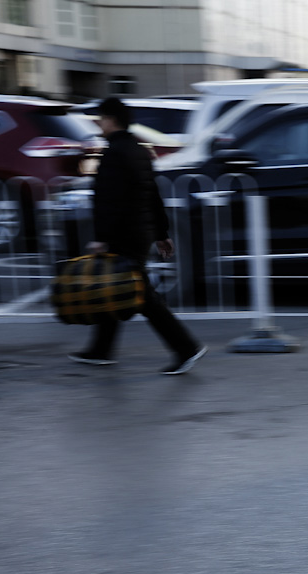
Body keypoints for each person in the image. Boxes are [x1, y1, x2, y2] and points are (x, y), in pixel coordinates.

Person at [68, 97, 206, 375]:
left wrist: (102, 237)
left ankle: (186, 348)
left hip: (124, 235)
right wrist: (161, 233)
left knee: (141, 296)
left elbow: (110, 201)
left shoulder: (114, 154)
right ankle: (101, 349)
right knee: (113, 286)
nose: (99, 124)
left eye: (101, 119)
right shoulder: (140, 151)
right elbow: (152, 195)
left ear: (111, 120)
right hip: (139, 233)